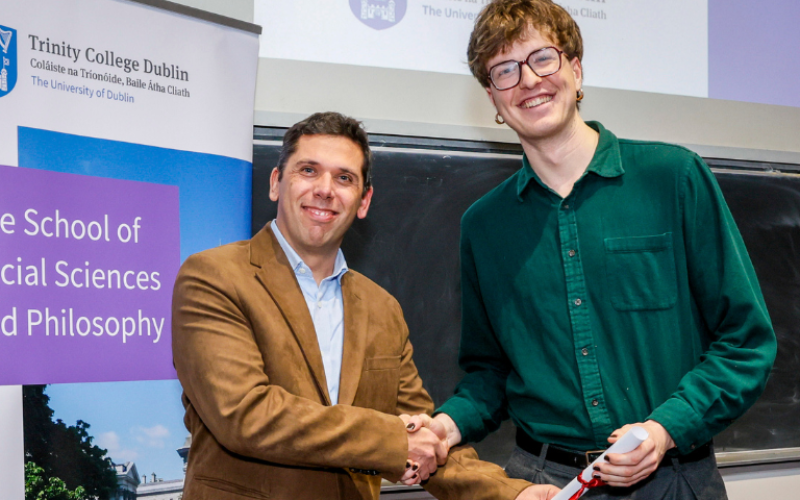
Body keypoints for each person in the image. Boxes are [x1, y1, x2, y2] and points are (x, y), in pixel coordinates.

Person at [407, 1, 777, 498]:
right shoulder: (484, 226)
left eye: (543, 58)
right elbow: (490, 373)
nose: (528, 80)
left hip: (675, 481)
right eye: (505, 70)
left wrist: (664, 428)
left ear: (576, 70)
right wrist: (445, 426)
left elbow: (746, 341)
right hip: (541, 484)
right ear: (492, 98)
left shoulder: (674, 179)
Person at [172, 111, 559, 500]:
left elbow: (421, 433)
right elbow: (245, 414)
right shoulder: (213, 277)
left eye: (344, 178)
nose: (325, 189)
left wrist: (512, 494)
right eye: (308, 170)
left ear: (363, 201)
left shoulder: (382, 309)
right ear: (276, 183)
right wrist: (395, 440)